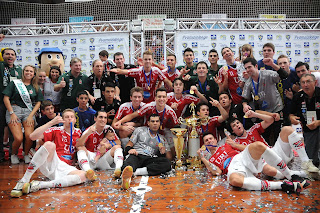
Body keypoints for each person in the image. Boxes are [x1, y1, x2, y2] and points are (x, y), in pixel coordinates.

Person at [10, 110, 94, 198]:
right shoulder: (56, 130)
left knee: (84, 176)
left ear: (75, 120)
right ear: (62, 120)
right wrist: (51, 123)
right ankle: (24, 180)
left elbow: (81, 147)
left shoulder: (78, 132)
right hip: (53, 163)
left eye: (72, 117)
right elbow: (32, 136)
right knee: (50, 145)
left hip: (66, 168)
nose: (69, 119)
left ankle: (40, 185)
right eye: (67, 117)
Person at [201, 132, 309, 195]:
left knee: (259, 149)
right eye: (206, 140)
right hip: (234, 168)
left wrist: (235, 144)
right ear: (205, 145)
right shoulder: (210, 160)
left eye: (211, 138)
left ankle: (296, 175)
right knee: (234, 181)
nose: (209, 141)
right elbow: (218, 172)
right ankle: (282, 185)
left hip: (242, 157)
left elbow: (245, 148)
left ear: (216, 140)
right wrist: (203, 158)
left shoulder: (226, 145)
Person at [225, 110, 319, 176]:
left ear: (241, 124)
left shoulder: (253, 129)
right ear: (233, 131)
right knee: (267, 170)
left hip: (274, 151)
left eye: (238, 123)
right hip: (265, 163)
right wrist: (234, 145)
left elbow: (270, 120)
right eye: (234, 125)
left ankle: (307, 164)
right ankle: (304, 174)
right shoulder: (235, 143)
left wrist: (254, 114)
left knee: (287, 129)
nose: (237, 125)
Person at [113, 88, 179, 155]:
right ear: (155, 98)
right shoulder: (148, 106)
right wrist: (120, 121)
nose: (161, 99)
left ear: (166, 99)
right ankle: (126, 153)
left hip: (161, 132)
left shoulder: (170, 111)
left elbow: (177, 127)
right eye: (159, 97)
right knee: (124, 131)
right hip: (147, 130)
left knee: (172, 149)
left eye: (163, 97)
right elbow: (133, 115)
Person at [242, 57, 288, 146]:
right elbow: (245, 98)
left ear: (256, 66)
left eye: (249, 67)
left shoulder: (268, 74)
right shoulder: (248, 82)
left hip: (276, 108)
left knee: (278, 136)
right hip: (264, 113)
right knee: (265, 137)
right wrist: (244, 105)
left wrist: (272, 65)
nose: (248, 70)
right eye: (246, 68)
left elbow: (284, 75)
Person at [3, 65, 43, 164]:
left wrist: (31, 115)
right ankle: (13, 154)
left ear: (34, 74)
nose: (28, 73)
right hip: (14, 110)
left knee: (30, 136)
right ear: (23, 72)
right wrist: (11, 113)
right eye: (26, 71)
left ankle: (26, 154)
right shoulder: (15, 83)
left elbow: (38, 102)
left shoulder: (35, 86)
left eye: (31, 71)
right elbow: (6, 98)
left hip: (29, 111)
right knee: (18, 138)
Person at [120, 114, 172, 190]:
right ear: (148, 123)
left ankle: (134, 172)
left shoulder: (162, 138)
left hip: (149, 159)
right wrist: (130, 150)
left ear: (160, 123)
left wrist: (162, 153)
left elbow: (169, 157)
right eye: (153, 121)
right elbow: (128, 145)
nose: (155, 123)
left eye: (157, 121)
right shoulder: (140, 130)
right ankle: (126, 176)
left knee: (167, 163)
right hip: (137, 155)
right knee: (129, 163)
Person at [76, 111, 124, 177]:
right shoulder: (89, 130)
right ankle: (88, 171)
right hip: (92, 158)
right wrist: (87, 133)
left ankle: (118, 169)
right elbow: (78, 145)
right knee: (80, 148)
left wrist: (108, 145)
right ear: (95, 118)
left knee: (118, 147)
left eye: (105, 118)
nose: (103, 120)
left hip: (103, 158)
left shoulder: (108, 128)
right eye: (101, 117)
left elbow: (118, 142)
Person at [290, 74, 320, 166]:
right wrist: (292, 118)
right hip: (308, 129)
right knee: (311, 160)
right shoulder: (298, 97)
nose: (305, 85)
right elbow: (291, 113)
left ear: (315, 82)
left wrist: (318, 122)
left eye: (308, 82)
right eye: (303, 82)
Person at [0, 48, 22, 162]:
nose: (10, 56)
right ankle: (1, 156)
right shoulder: (0, 66)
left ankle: (12, 155)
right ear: (2, 56)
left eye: (12, 54)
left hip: (14, 104)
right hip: (0, 103)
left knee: (14, 131)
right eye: (7, 54)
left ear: (15, 57)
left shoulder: (18, 70)